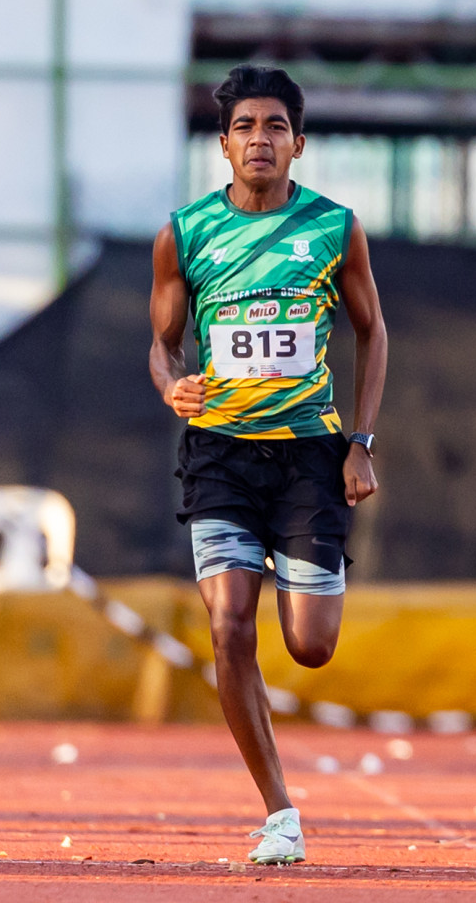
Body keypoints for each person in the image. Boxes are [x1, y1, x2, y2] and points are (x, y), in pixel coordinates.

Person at [147, 64, 388, 864]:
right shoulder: (184, 234)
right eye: (245, 126)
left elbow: (372, 332)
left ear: (298, 143)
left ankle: (299, 555)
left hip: (309, 454)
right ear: (223, 145)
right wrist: (172, 384)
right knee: (228, 625)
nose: (260, 139)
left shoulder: (335, 227)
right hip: (219, 452)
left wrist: (361, 441)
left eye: (275, 126)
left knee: (311, 645)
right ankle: (280, 810)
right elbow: (162, 344)